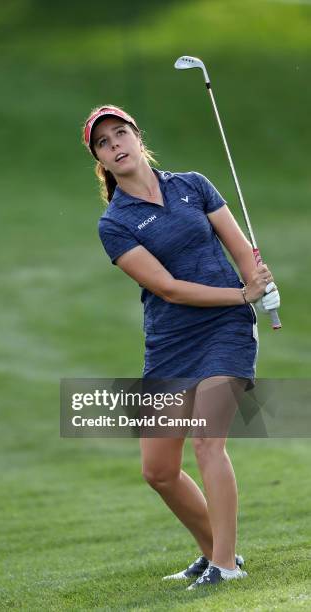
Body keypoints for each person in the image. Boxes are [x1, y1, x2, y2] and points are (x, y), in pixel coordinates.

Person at [82, 105, 280, 590]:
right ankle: (212, 551)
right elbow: (167, 287)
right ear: (101, 161)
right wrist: (241, 292)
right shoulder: (115, 223)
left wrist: (256, 281)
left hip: (225, 331)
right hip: (171, 341)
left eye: (120, 133)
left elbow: (237, 244)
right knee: (159, 470)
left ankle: (226, 566)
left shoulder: (193, 184)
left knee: (208, 440)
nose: (116, 145)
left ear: (137, 136)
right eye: (104, 143)